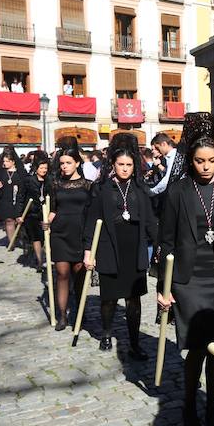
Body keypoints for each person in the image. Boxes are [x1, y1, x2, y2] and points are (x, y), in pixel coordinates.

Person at [156, 112, 214, 426]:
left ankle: (212, 409)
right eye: (199, 161)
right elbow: (165, 240)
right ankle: (190, 407)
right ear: (190, 160)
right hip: (189, 279)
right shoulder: (179, 191)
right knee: (197, 347)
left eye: (211, 160)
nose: (206, 166)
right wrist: (162, 287)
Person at [83, 136, 156, 358]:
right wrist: (89, 251)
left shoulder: (141, 188)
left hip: (133, 248)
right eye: (121, 165)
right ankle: (106, 333)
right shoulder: (102, 188)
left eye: (129, 165)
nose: (125, 169)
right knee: (109, 297)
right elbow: (91, 221)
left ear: (135, 166)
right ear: (113, 165)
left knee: (134, 299)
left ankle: (134, 342)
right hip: (109, 246)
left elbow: (151, 221)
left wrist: (162, 245)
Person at [45, 147, 91, 331]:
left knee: (79, 276)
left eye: (68, 163)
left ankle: (80, 311)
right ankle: (62, 315)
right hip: (60, 233)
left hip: (80, 234)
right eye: (62, 163)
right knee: (62, 273)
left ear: (77, 163)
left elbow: (92, 209)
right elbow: (54, 209)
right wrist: (47, 220)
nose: (64, 166)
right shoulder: (55, 184)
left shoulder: (88, 185)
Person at [0, 148, 26, 246]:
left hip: (18, 199)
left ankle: (21, 238)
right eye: (4, 161)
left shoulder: (20, 172)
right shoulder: (1, 172)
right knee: (9, 220)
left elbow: (25, 184)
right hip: (5, 200)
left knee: (18, 220)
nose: (5, 163)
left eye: (7, 161)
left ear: (13, 161)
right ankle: (11, 242)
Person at [24, 156, 50, 273]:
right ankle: (40, 261)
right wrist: (20, 214)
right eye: (41, 168)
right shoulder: (29, 180)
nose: (44, 170)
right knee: (36, 238)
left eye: (45, 168)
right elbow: (22, 196)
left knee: (45, 238)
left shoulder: (50, 180)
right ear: (36, 168)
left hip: (46, 212)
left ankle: (46, 259)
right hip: (33, 213)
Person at [145, 133, 177, 199]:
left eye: (157, 148)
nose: (158, 150)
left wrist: (151, 192)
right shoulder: (169, 157)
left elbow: (167, 180)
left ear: (164, 144)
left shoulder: (173, 157)